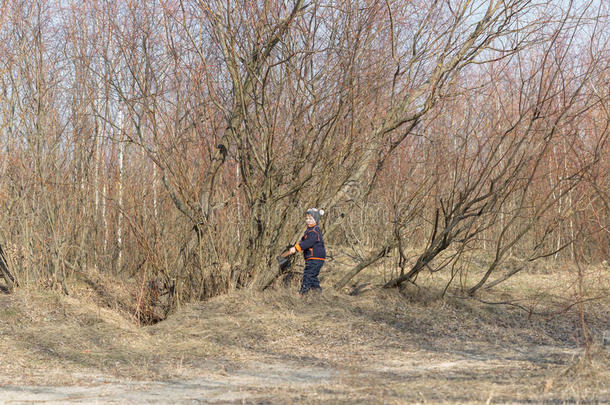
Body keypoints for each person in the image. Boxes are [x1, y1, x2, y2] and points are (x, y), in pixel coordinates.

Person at [287, 208, 326, 294]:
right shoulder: (309, 231)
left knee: (308, 275)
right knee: (313, 277)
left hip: (315, 258)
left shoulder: (314, 231)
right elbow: (303, 241)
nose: (308, 221)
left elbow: (308, 243)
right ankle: (318, 293)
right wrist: (297, 245)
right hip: (314, 258)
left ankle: (303, 293)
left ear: (316, 220)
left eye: (310, 219)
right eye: (307, 218)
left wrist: (296, 248)